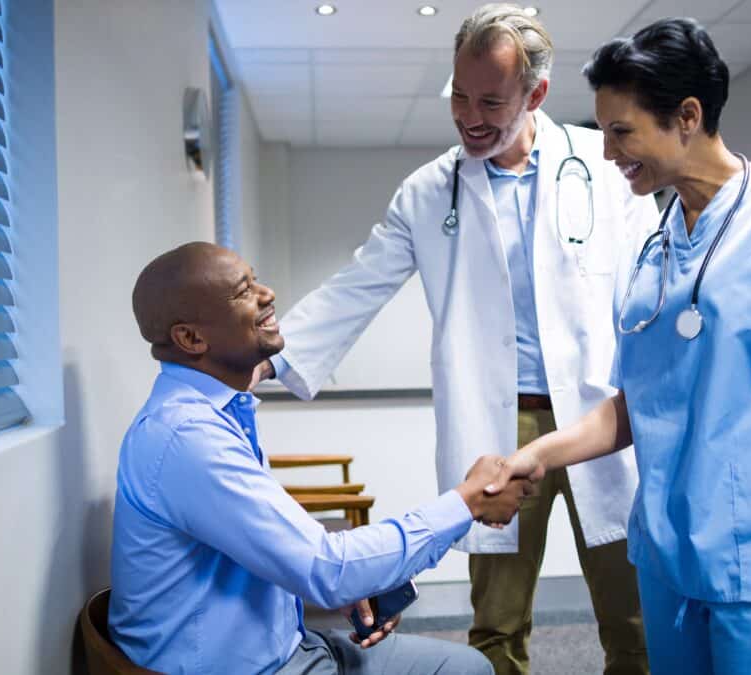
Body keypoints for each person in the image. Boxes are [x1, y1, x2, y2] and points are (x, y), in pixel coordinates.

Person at [485, 18, 751, 675]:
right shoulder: (656, 248)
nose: (608, 153)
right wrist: (535, 455)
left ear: (687, 115)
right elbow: (640, 403)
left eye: (621, 131)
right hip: (670, 561)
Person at [252, 5, 656, 673]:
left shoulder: (603, 165)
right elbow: (359, 284)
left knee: (633, 611)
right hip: (498, 424)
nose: (470, 114)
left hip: (597, 413)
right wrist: (268, 357)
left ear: (536, 95)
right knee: (496, 623)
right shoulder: (428, 192)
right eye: (459, 94)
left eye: (491, 100)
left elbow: (651, 278)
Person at [109, 242, 530, 675]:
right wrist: (467, 502)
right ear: (192, 338)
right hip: (256, 669)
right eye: (243, 291)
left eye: (255, 278)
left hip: (290, 642)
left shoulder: (218, 411)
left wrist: (349, 583)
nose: (267, 294)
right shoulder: (188, 438)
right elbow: (328, 569)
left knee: (465, 666)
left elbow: (276, 548)